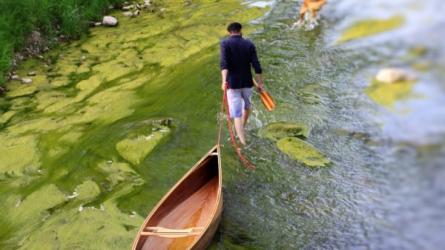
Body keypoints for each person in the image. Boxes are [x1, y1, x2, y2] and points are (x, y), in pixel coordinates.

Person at [220, 22, 264, 146]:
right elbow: (256, 66)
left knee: (236, 114)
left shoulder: (225, 43)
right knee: (247, 106)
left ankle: (243, 143)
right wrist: (259, 84)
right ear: (240, 30)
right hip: (247, 82)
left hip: (232, 84)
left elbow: (224, 64)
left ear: (229, 32)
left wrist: (224, 81)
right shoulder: (249, 44)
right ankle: (242, 127)